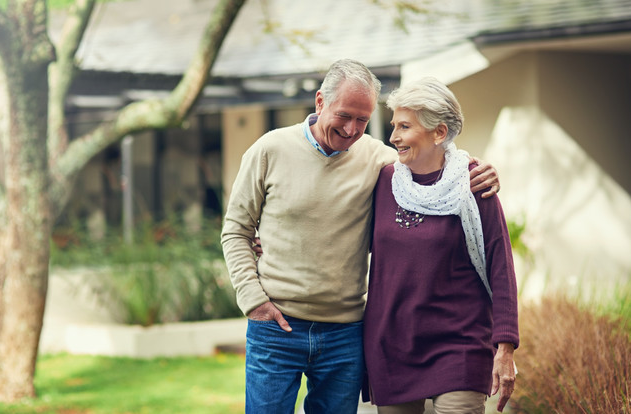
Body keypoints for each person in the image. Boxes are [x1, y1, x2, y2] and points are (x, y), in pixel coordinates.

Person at [220, 59, 501, 414]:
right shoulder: (268, 150)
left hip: (343, 332)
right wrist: (254, 301)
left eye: (363, 120)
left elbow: (432, 157)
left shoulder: (380, 161)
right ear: (320, 102)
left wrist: (477, 169)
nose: (353, 129)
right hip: (276, 327)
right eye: (344, 115)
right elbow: (236, 230)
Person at [362, 77, 519, 414]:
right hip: (392, 346)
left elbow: (501, 266)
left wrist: (505, 348)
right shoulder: (383, 181)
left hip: (458, 346)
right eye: (393, 126)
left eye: (404, 126)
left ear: (439, 133)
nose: (393, 137)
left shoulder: (474, 183)